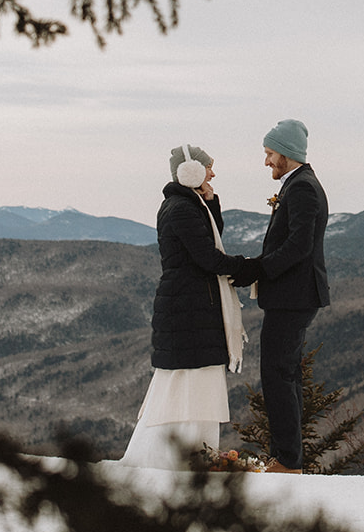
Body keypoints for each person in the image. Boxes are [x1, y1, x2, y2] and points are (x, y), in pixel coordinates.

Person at [118, 144, 253, 470]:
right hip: (190, 308)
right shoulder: (180, 208)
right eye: (209, 167)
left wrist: (211, 201)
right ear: (190, 171)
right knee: (190, 383)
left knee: (190, 382)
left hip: (191, 307)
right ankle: (180, 456)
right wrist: (249, 268)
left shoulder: (187, 205)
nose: (213, 173)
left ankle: (188, 453)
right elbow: (208, 257)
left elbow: (209, 238)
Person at [251, 118, 330, 474]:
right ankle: (287, 457)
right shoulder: (297, 185)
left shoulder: (302, 188)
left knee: (277, 375)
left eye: (269, 153)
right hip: (294, 296)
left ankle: (287, 461)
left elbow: (299, 244)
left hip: (293, 297)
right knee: (286, 375)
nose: (266, 161)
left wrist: (260, 269)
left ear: (285, 153)